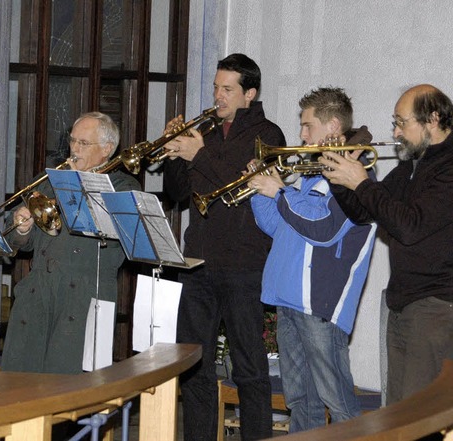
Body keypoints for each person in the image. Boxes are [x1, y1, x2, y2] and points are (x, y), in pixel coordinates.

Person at [162, 53, 286, 441]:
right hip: (198, 261)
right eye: (216, 87)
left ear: (250, 94)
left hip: (244, 265)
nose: (218, 95)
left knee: (250, 371)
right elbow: (176, 193)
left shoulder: (269, 136)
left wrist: (198, 154)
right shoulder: (209, 133)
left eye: (227, 89)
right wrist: (175, 153)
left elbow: (239, 187)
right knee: (195, 368)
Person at [248, 87, 376, 432]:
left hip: (319, 302)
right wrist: (260, 190)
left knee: (337, 401)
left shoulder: (353, 173)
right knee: (300, 400)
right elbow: (280, 226)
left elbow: (324, 230)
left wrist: (280, 191)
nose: (301, 135)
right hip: (288, 298)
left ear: (333, 126)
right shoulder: (311, 172)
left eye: (307, 126)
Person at [321, 84, 453, 405]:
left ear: (432, 120)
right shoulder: (413, 164)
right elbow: (364, 212)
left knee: (418, 415)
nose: (395, 131)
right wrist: (338, 177)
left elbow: (409, 226)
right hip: (403, 303)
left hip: (435, 306)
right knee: (397, 410)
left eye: (401, 122)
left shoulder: (448, 168)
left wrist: (362, 181)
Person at [1, 112, 140, 375]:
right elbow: (20, 242)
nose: (74, 149)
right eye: (73, 141)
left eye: (83, 143)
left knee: (68, 385)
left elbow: (123, 243)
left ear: (107, 149)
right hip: (38, 293)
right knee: (19, 382)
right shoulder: (49, 180)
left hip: (83, 297)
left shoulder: (122, 187)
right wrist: (21, 225)